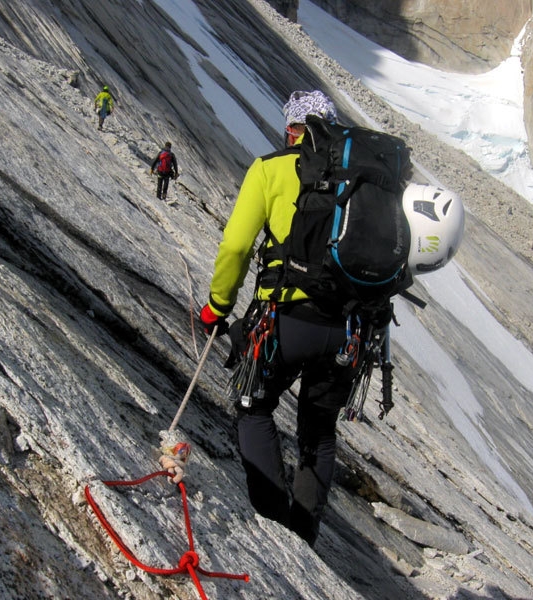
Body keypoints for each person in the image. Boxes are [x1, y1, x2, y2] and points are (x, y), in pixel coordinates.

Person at [196, 90, 358, 547]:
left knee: (254, 407)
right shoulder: (360, 180)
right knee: (319, 431)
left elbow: (236, 247)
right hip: (348, 330)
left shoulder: (271, 169)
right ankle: (303, 538)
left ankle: (273, 526)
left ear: (291, 129)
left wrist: (217, 307)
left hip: (284, 320)